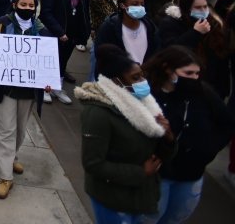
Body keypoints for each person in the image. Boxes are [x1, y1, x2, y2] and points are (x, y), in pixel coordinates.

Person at [74, 44, 175, 223]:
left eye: (142, 75)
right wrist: (140, 172)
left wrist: (167, 137)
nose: (143, 81)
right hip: (112, 198)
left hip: (140, 196)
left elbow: (156, 152)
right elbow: (93, 164)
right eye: (135, 78)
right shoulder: (98, 114)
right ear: (116, 82)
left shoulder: (146, 104)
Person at [141, 46, 235, 224]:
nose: (195, 78)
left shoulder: (204, 94)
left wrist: (208, 150)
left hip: (190, 176)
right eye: (189, 73)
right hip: (157, 175)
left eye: (197, 73)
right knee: (148, 218)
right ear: (168, 70)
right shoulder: (150, 95)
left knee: (175, 218)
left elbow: (227, 124)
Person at [0, 0, 52, 199]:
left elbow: (47, 61)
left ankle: (11, 157)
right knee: (5, 130)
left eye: (32, 6)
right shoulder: (1, 24)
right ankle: (5, 177)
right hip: (6, 90)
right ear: (14, 5)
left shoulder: (42, 31)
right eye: (24, 4)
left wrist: (48, 80)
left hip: (29, 91)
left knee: (20, 130)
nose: (28, 8)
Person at [40, 0, 87, 102]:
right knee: (51, 61)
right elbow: (46, 13)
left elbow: (81, 10)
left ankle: (57, 87)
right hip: (57, 32)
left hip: (72, 31)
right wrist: (59, 32)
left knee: (63, 61)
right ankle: (45, 88)